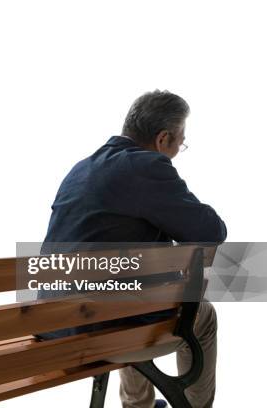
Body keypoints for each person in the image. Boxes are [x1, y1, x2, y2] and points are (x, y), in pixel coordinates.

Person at [37, 90, 226, 408]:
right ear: (163, 138)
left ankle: (138, 405)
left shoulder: (82, 168)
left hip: (51, 323)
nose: (179, 148)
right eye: (181, 141)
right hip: (98, 329)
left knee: (134, 292)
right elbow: (211, 230)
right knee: (202, 316)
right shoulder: (146, 166)